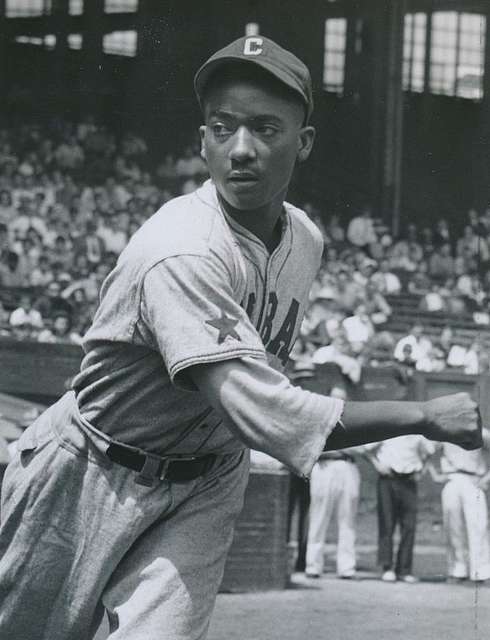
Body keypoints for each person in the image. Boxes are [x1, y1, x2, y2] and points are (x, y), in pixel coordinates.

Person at [0, 36, 482, 640]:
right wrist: (421, 414)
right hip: (89, 467)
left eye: (265, 129)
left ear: (302, 142)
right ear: (203, 139)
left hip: (205, 477)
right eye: (222, 128)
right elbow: (267, 414)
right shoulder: (180, 248)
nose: (241, 149)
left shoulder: (304, 240)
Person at [305, 385, 361, 579]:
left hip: (347, 467)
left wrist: (335, 449)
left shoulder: (355, 420)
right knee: (319, 516)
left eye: (343, 399)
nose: (339, 402)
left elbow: (362, 449)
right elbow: (313, 446)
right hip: (324, 468)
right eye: (335, 397)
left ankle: (346, 567)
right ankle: (313, 564)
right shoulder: (318, 418)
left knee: (348, 518)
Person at [365, 435, 436, 583]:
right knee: (387, 523)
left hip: (409, 481)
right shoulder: (390, 428)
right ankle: (387, 568)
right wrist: (377, 465)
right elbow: (367, 449)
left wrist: (421, 471)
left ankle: (404, 570)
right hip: (388, 478)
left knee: (409, 526)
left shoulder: (418, 433)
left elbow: (430, 452)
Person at [427, 429, 490, 583]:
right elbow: (426, 450)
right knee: (453, 527)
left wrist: (487, 478)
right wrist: (434, 474)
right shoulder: (445, 432)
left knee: (479, 526)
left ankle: (482, 571)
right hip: (452, 478)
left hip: (474, 480)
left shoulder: (481, 433)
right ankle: (457, 570)